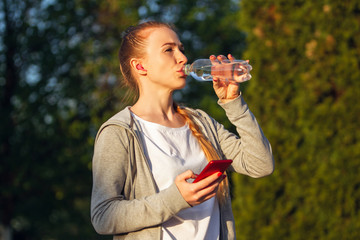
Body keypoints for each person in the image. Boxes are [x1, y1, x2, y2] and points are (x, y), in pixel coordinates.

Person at [90, 21, 274, 240]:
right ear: (140, 66)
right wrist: (176, 198)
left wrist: (233, 102)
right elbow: (103, 216)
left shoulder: (201, 122)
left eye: (181, 49)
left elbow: (261, 164)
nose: (183, 58)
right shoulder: (120, 132)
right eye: (169, 50)